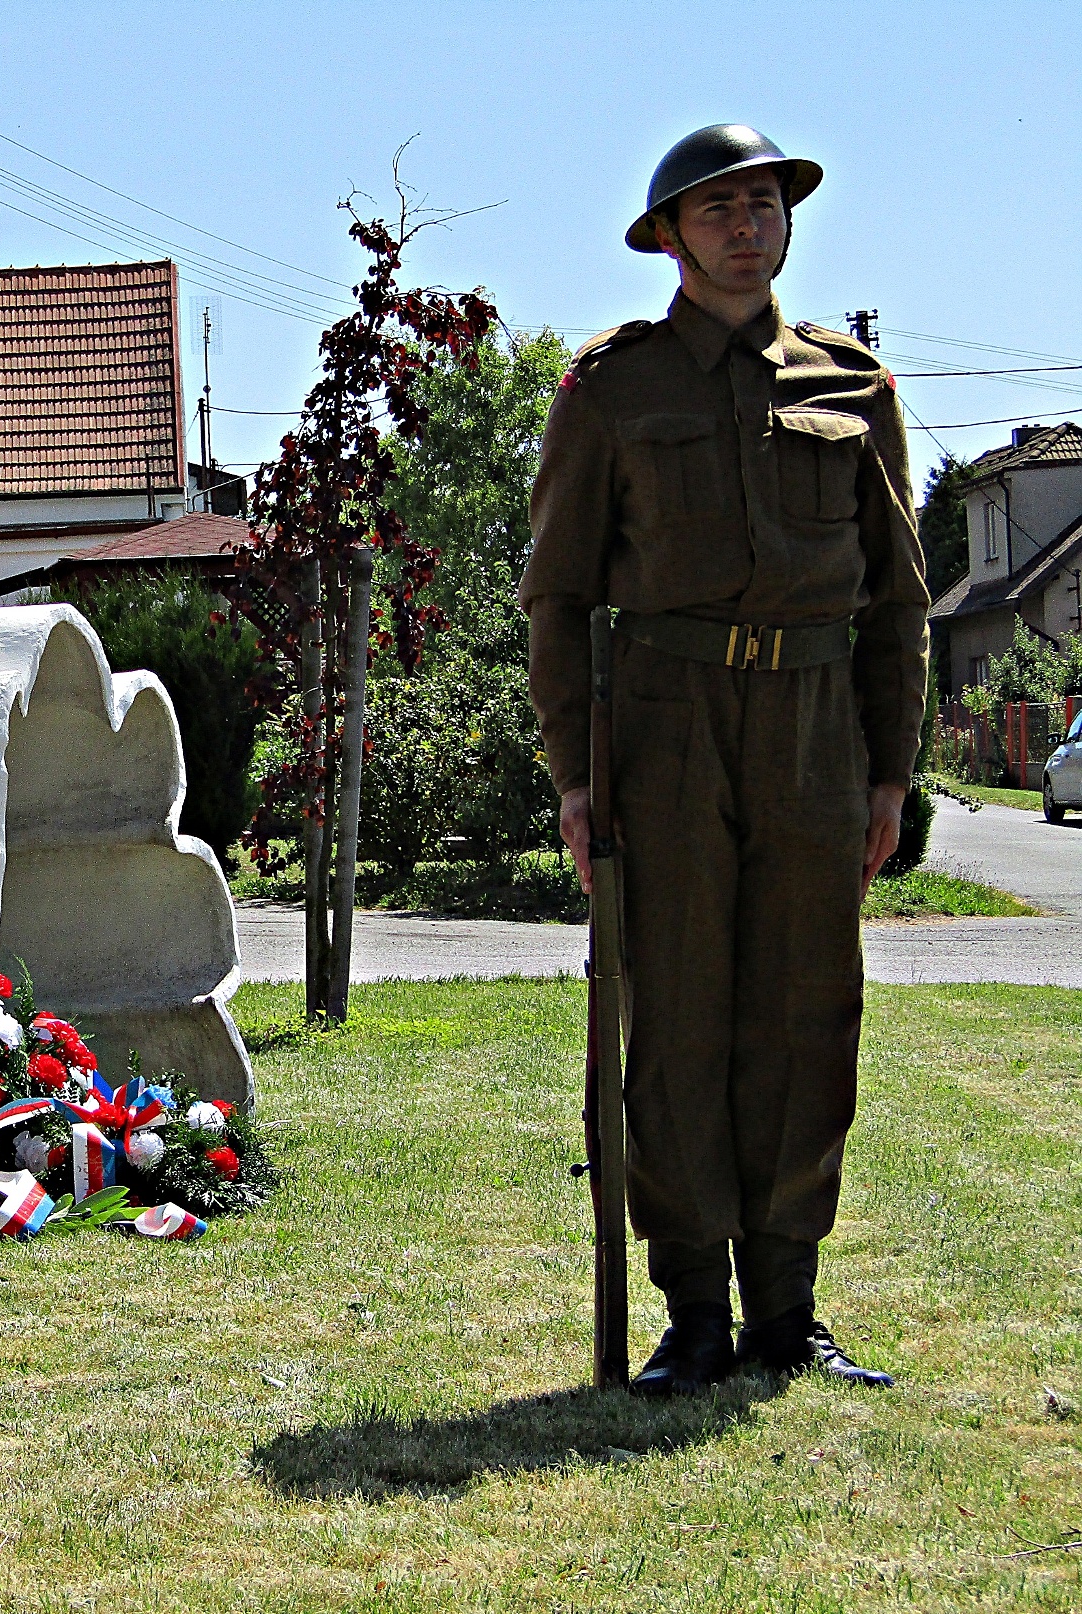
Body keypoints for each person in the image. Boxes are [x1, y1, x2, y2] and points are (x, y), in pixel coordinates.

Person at [520, 125, 928, 1395]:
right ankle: (694, 1310)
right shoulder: (611, 389)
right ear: (668, 238)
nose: (747, 228)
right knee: (680, 1013)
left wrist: (889, 772)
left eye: (763, 205)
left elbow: (899, 601)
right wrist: (576, 778)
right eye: (718, 210)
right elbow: (557, 598)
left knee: (808, 1011)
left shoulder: (854, 387)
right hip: (665, 723)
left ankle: (786, 1310)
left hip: (813, 724)